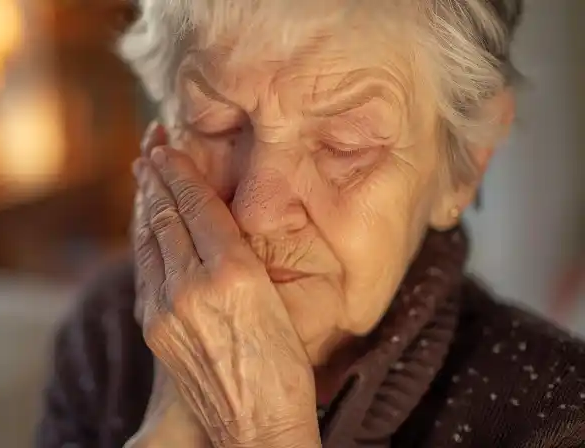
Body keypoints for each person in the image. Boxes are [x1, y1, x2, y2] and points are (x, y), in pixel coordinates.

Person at [39, 1, 585, 447]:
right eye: (216, 123)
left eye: (344, 146)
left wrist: (267, 436)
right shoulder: (106, 335)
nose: (257, 211)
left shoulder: (556, 410)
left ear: (468, 163)